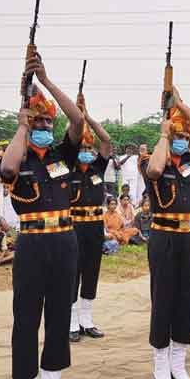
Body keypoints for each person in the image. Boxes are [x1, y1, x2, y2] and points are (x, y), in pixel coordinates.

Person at [0, 46, 84, 379]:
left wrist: (46, 81)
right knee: (26, 319)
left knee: (60, 316)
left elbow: (79, 119)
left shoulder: (63, 153)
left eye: (47, 121)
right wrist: (20, 125)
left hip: (65, 242)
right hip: (32, 245)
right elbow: (7, 168)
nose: (46, 126)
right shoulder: (18, 152)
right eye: (39, 122)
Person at [141, 85, 190, 379]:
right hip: (164, 239)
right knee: (164, 300)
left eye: (186, 136)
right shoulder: (153, 160)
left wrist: (180, 105)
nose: (185, 140)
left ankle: (179, 367)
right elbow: (156, 170)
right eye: (179, 136)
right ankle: (161, 369)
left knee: (187, 300)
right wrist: (164, 135)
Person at [69, 98, 112, 343]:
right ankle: (72, 321)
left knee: (92, 270)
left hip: (95, 225)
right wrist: (76, 120)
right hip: (74, 225)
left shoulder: (98, 167)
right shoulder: (68, 168)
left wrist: (88, 118)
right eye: (82, 149)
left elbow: (106, 140)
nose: (86, 153)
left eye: (89, 149)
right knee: (73, 272)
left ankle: (87, 319)